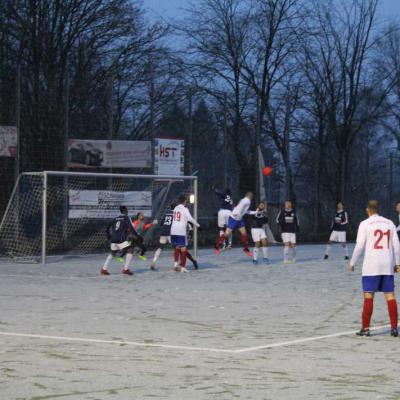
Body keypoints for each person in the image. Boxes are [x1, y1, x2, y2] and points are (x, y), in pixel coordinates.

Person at [348, 200, 400, 337]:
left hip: (371, 265)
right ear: (378, 209)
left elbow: (359, 245)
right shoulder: (390, 223)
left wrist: (352, 262)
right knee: (390, 295)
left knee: (369, 295)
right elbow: (396, 245)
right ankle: (394, 329)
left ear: (367, 210)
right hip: (387, 263)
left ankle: (365, 329)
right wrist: (398, 263)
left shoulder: (365, 224)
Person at [150, 204, 199, 270]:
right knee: (181, 248)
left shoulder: (167, 214)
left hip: (163, 232)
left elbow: (161, 223)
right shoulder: (177, 213)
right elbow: (186, 222)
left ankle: (153, 262)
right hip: (172, 232)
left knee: (160, 247)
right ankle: (188, 262)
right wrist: (190, 231)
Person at [101, 206, 143, 276]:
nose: (128, 211)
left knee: (113, 252)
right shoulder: (126, 218)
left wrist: (108, 235)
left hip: (113, 239)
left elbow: (108, 226)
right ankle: (126, 269)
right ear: (126, 210)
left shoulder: (115, 218)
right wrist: (138, 236)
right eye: (127, 209)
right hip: (120, 240)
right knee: (130, 250)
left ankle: (104, 269)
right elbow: (131, 228)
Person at [215, 192, 253, 257]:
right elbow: (240, 205)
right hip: (233, 219)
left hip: (239, 219)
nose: (252, 197)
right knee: (226, 234)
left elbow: (243, 209)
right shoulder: (246, 200)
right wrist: (235, 212)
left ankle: (246, 249)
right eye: (251, 195)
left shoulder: (247, 201)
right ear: (249, 195)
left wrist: (255, 212)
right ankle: (216, 246)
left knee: (244, 234)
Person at [170, 195, 200, 273]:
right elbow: (190, 218)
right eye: (186, 201)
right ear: (185, 201)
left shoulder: (175, 208)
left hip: (173, 230)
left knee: (177, 247)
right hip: (180, 231)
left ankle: (175, 265)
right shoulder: (185, 209)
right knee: (183, 249)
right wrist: (197, 225)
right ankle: (183, 268)